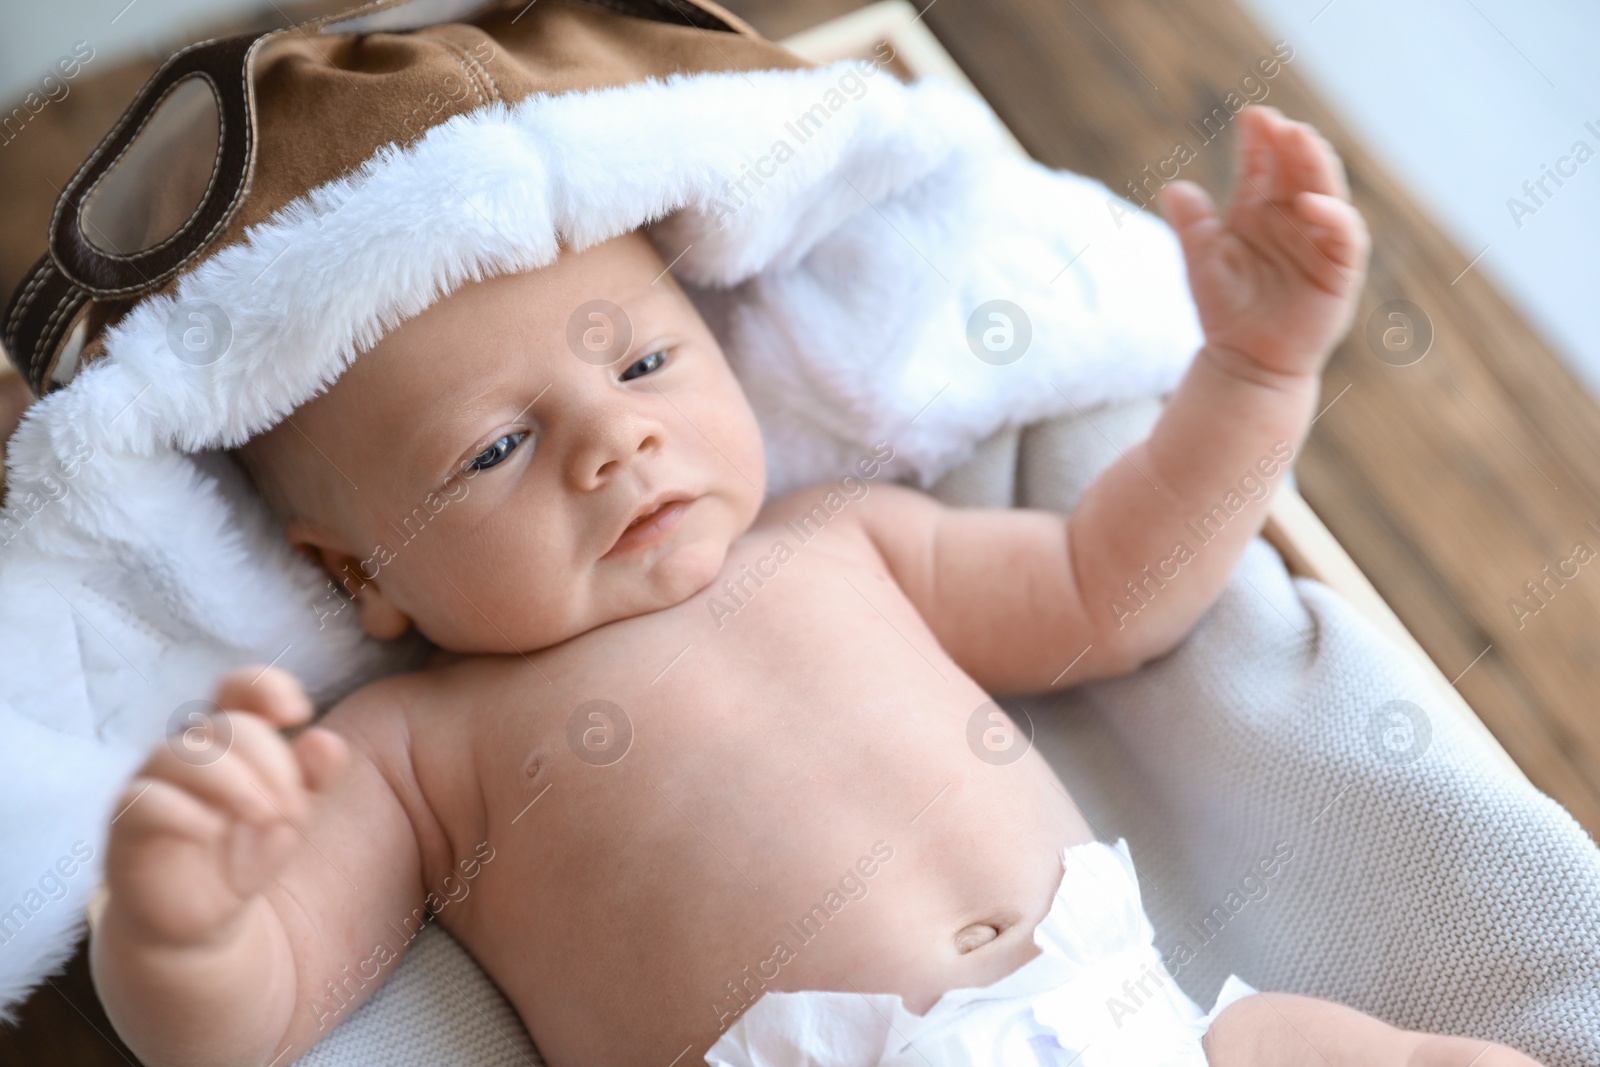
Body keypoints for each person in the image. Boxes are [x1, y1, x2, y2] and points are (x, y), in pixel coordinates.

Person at [91, 106, 1541, 1067]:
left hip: (1139, 1024)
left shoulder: (846, 539)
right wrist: (179, 926)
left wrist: (1251, 372)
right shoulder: (415, 754)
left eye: (645, 362)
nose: (617, 443)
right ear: (359, 577)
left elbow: (1116, 589)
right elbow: (258, 1007)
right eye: (497, 447)